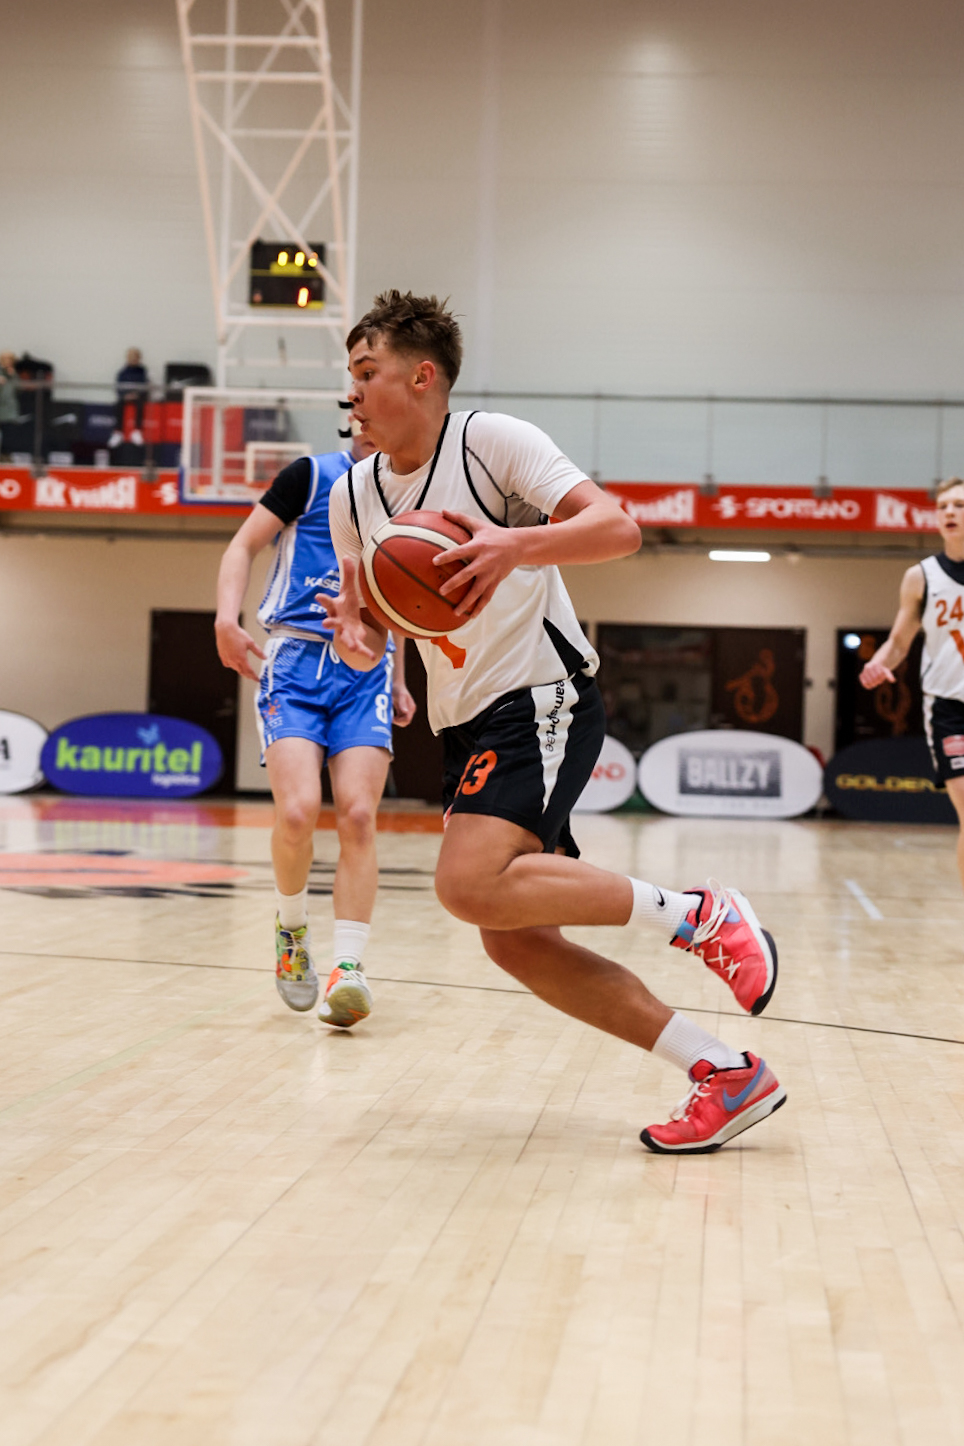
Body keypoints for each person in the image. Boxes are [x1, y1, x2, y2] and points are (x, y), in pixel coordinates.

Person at [320, 290, 786, 1154]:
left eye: (366, 370)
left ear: (422, 377)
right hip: (466, 721)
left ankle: (700, 915)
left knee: (466, 886)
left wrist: (514, 544)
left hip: (542, 692)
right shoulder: (351, 496)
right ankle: (725, 1072)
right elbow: (386, 621)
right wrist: (363, 639)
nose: (351, 391)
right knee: (517, 944)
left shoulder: (491, 442)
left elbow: (618, 528)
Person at [215, 429, 416, 1026]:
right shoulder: (309, 475)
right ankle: (292, 930)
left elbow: (402, 596)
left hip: (367, 666)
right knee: (299, 812)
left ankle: (348, 968)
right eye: (357, 402)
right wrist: (226, 618)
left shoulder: (408, 495)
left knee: (358, 815)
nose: (366, 418)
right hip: (296, 658)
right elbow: (242, 546)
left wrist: (398, 676)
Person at [860, 475, 964, 895]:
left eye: (959, 505)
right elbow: (900, 641)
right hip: (949, 707)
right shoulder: (921, 576)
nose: (950, 513)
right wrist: (878, 663)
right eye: (943, 507)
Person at [108, 348, 149, 448]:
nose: (133, 359)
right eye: (131, 357)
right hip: (125, 397)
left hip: (138, 397)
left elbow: (145, 386)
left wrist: (136, 394)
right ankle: (118, 432)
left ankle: (137, 431)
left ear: (139, 358)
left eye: (135, 357)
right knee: (118, 404)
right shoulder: (123, 372)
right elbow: (118, 387)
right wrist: (125, 395)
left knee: (140, 405)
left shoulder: (142, 371)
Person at [0, 352, 19, 459]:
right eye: (5, 359)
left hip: (9, 411)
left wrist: (13, 376)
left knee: (9, 435)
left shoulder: (13, 374)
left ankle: (6, 455)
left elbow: (19, 389)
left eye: (9, 359)